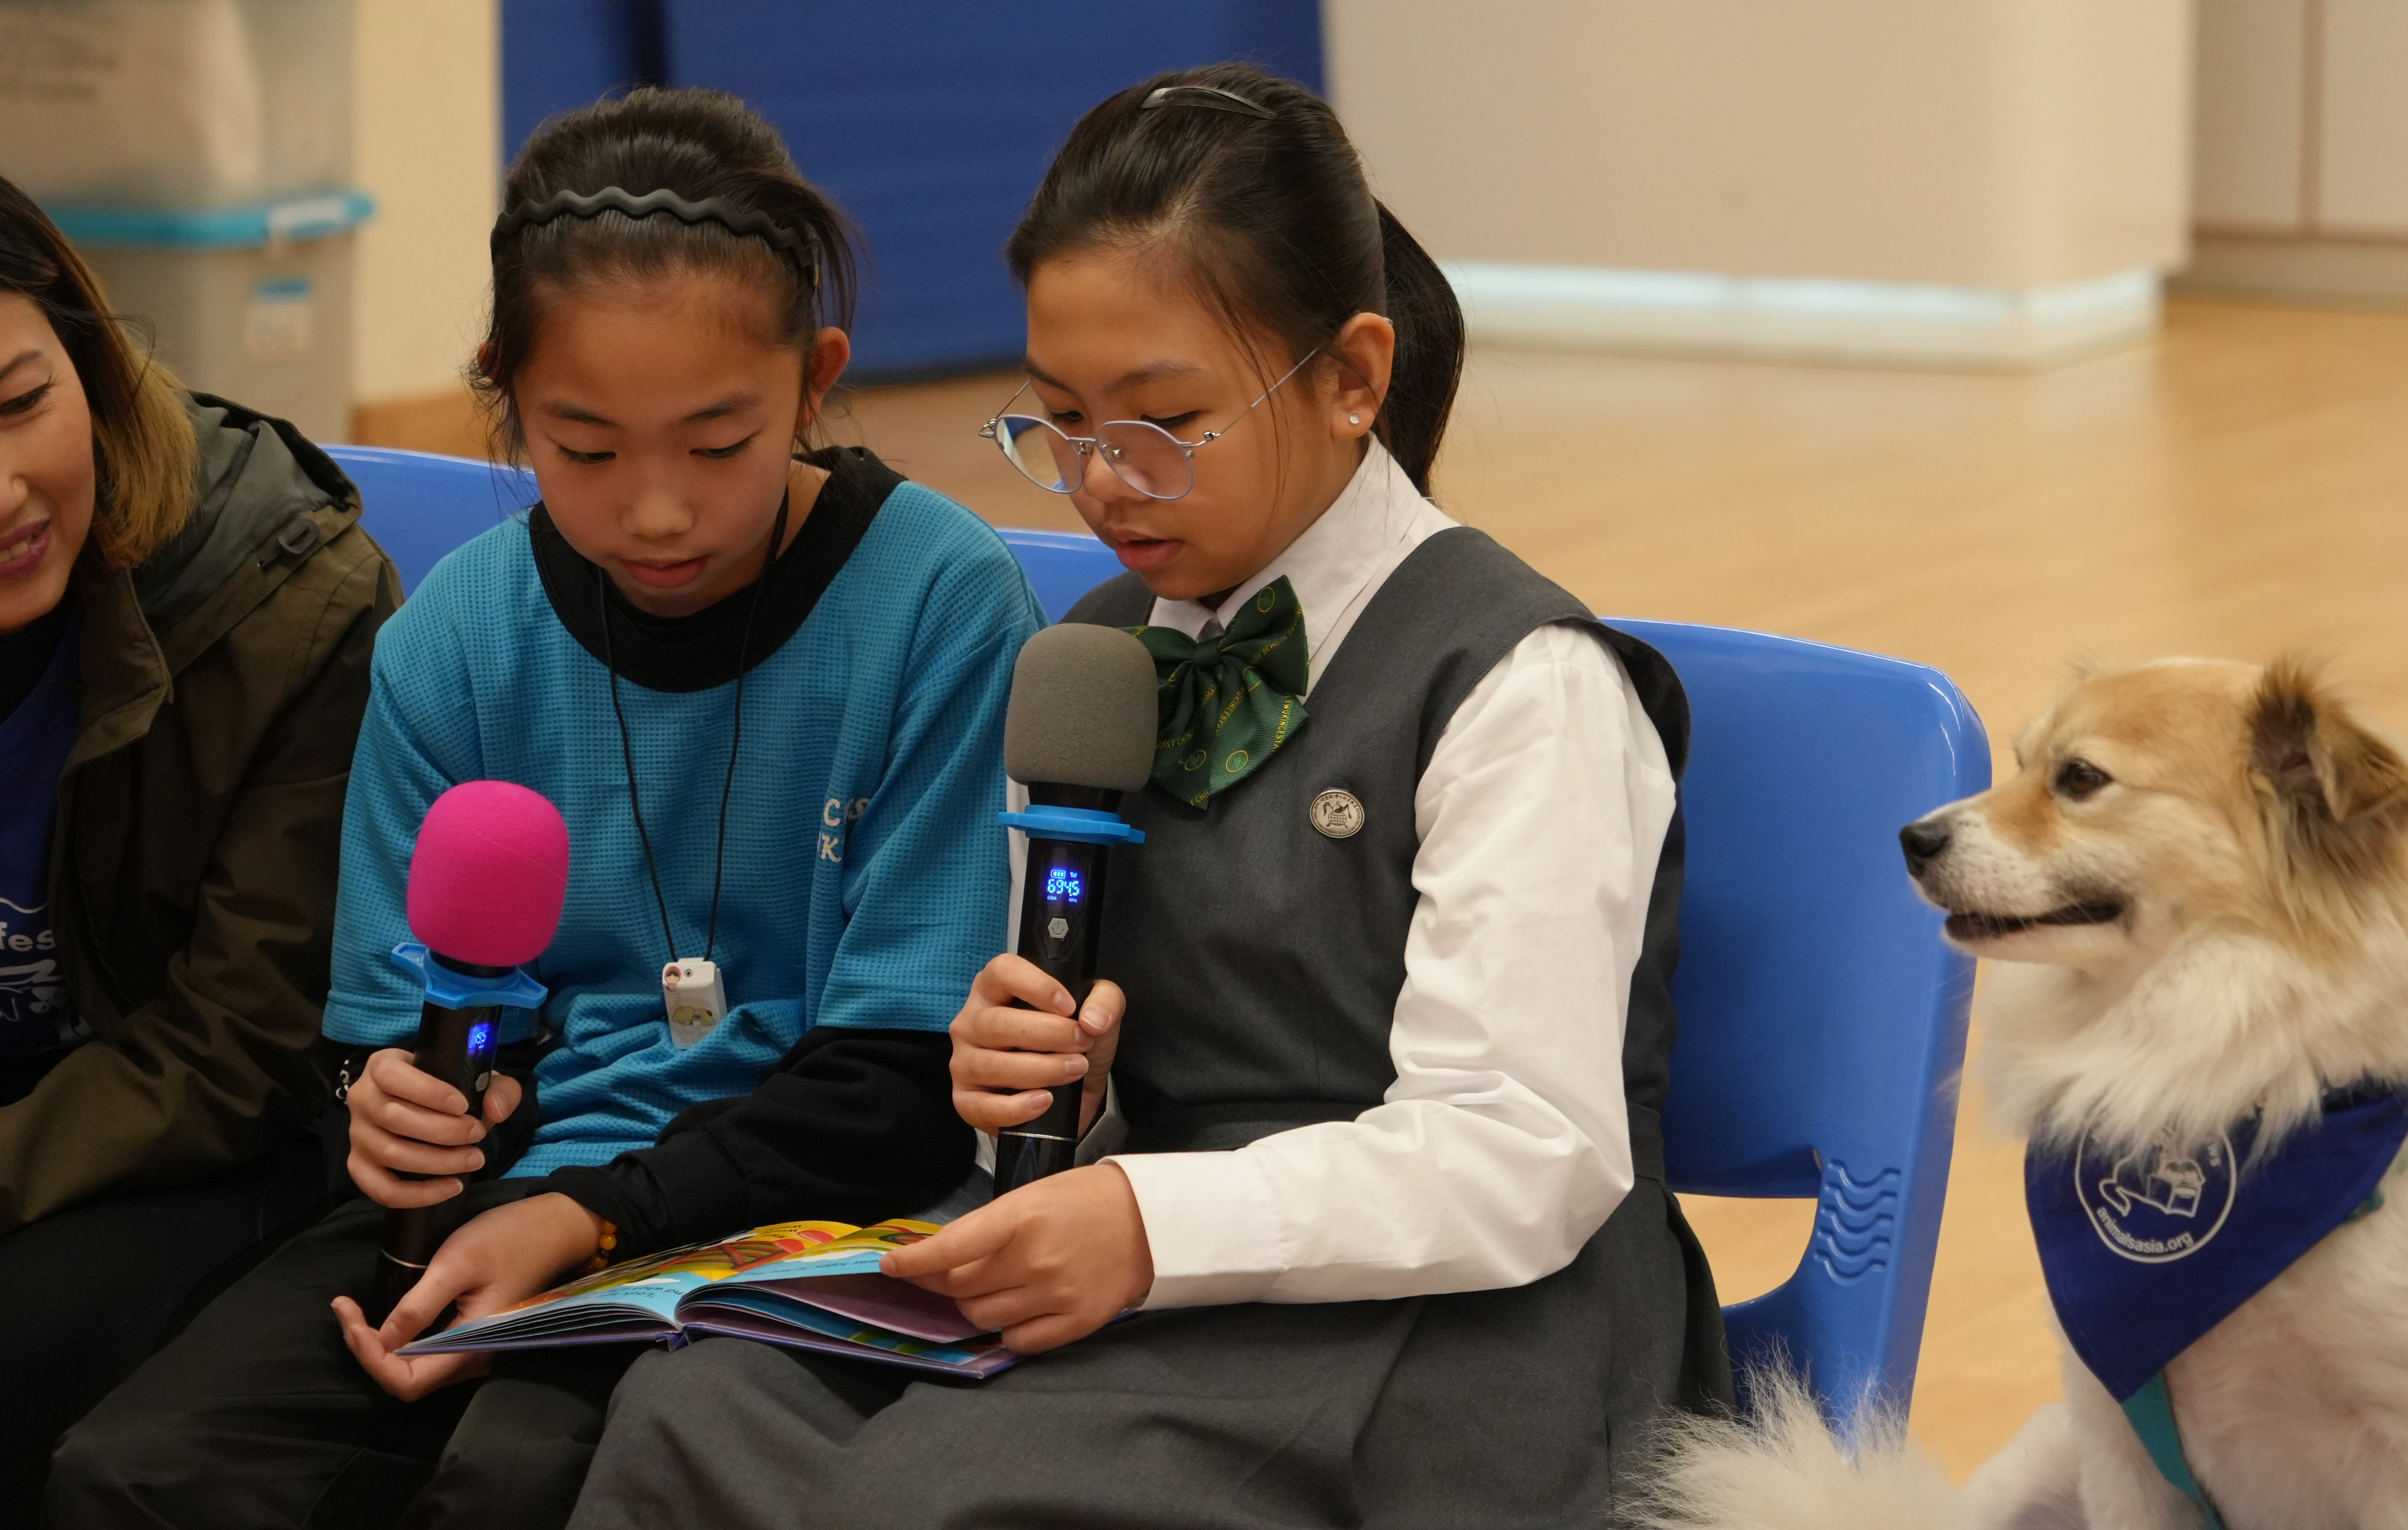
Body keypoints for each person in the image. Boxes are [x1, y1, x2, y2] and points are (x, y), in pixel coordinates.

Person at [570, 64, 1730, 1529]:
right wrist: (1037, 1092)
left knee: (939, 1495)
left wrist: (1142, 1218)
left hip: (1457, 1319)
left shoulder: (1520, 680)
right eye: (1060, 420)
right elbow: (1088, 1096)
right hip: (1166, 1270)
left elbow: (1520, 1152)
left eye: (1164, 421)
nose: (1105, 480)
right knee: (694, 1411)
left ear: (1352, 377)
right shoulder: (1099, 659)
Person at [48, 87, 1038, 1528]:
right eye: (585, 448)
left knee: (521, 1476)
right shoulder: (456, 637)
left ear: (815, 380)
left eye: (718, 443)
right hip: (511, 1206)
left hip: (800, 1217)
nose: (657, 512)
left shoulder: (940, 604)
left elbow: (903, 1087)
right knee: (142, 1473)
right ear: (503, 392)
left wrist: (592, 1216)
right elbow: (395, 1033)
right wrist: (393, 1111)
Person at [0, 174, 394, 1519]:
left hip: (214, 1149)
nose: (5, 492)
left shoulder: (282, 599)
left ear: (88, 359)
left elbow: (239, 1052)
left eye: (21, 404)